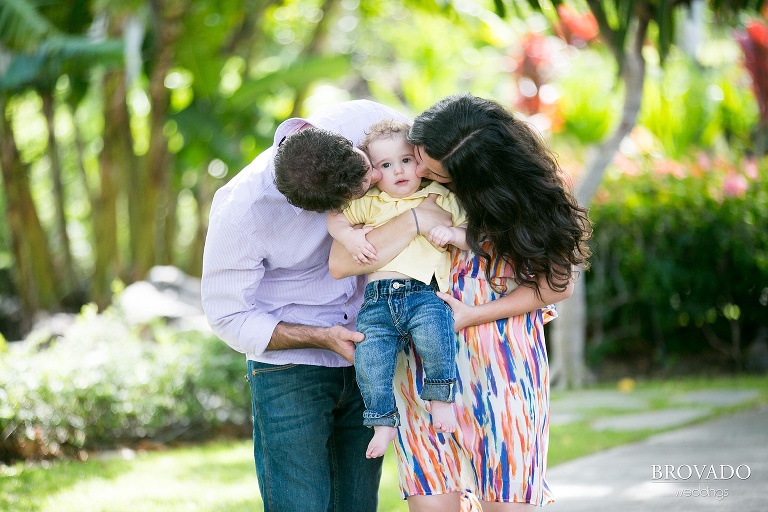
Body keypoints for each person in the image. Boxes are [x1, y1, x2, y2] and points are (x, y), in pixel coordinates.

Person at [326, 94, 592, 512]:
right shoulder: (406, 192)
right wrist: (413, 219)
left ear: (470, 173)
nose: (419, 172)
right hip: (426, 374)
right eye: (418, 159)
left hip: (505, 370)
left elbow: (557, 286)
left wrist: (472, 315)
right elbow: (342, 262)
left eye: (433, 170)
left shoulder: (525, 203)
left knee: (508, 504)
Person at [200, 99, 454, 512]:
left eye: (369, 167)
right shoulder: (241, 211)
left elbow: (432, 166)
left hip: (370, 350)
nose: (379, 178)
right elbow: (228, 316)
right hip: (290, 372)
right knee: (301, 505)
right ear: (313, 209)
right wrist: (320, 338)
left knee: (357, 504)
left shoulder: (364, 119)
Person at [327, 119, 468, 459]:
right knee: (370, 359)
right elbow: (335, 217)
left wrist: (452, 236)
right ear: (374, 173)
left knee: (438, 339)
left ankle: (440, 399)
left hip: (424, 293)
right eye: (386, 165)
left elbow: (471, 235)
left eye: (406, 160)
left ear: (419, 161)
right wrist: (349, 236)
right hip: (376, 300)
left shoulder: (440, 197)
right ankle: (382, 421)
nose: (399, 170)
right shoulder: (371, 201)